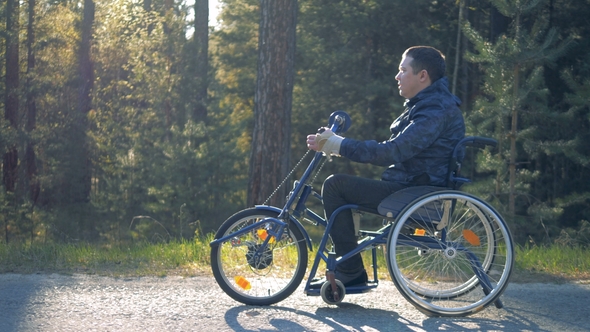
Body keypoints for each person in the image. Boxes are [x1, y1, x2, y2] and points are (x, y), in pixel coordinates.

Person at [306, 46, 465, 288]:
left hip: (416, 193)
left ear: (422, 76)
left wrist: (339, 145)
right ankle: (350, 270)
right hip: (413, 187)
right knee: (339, 186)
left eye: (403, 70)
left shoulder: (435, 110)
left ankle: (350, 272)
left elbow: (392, 151)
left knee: (336, 186)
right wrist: (336, 145)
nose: (397, 76)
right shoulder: (428, 105)